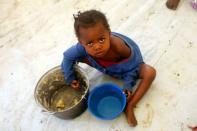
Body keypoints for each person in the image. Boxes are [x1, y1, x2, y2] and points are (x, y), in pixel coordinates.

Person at [61, 9, 156, 126]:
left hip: (129, 67)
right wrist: (70, 78)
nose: (97, 47)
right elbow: (67, 57)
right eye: (90, 43)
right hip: (106, 66)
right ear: (81, 42)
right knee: (76, 58)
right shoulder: (82, 48)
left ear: (109, 33)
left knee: (150, 72)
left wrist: (128, 86)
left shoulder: (118, 47)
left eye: (101, 39)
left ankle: (130, 105)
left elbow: (133, 69)